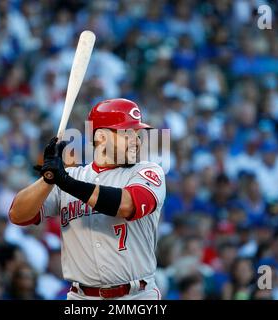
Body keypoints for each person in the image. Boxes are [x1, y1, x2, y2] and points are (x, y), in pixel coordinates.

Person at [9, 98, 166, 300]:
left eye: (138, 134)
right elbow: (18, 215)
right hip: (81, 298)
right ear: (101, 137)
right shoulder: (69, 177)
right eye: (128, 133)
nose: (137, 140)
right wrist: (48, 178)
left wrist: (65, 181)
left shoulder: (147, 171)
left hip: (136, 296)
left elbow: (126, 205)